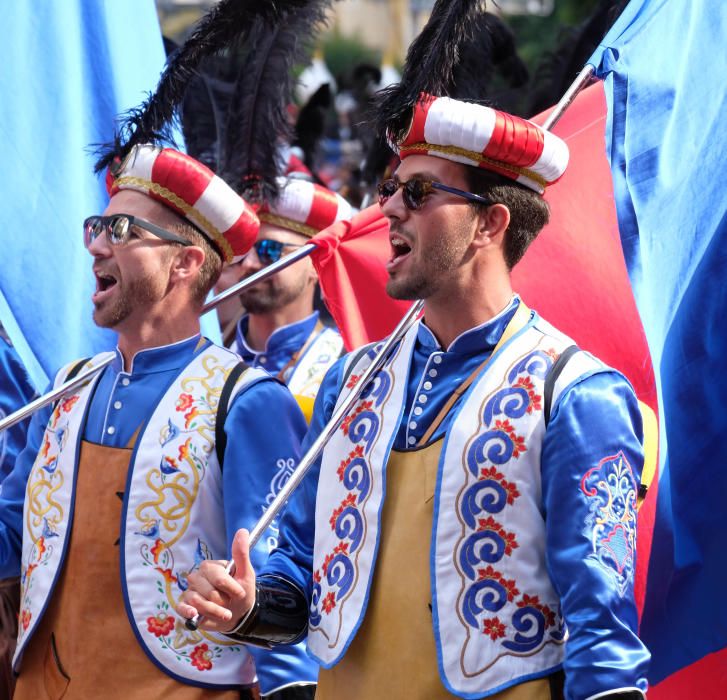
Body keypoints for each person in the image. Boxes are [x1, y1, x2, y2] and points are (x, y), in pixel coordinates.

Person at [178, 93, 651, 699]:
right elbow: (300, 569)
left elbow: (603, 639)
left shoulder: (577, 394)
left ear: (490, 223)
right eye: (390, 188)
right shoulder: (350, 385)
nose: (391, 209)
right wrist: (250, 604)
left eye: (420, 193)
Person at [0, 144, 316, 699]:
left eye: (122, 229)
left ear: (185, 262)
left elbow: (280, 576)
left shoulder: (248, 400)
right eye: (97, 226)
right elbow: (13, 536)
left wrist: (259, 620)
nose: (97, 245)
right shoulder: (66, 387)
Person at [228, 178, 353, 421]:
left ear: (317, 265)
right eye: (243, 252)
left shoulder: (348, 366)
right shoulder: (207, 355)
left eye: (269, 250)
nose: (250, 264)